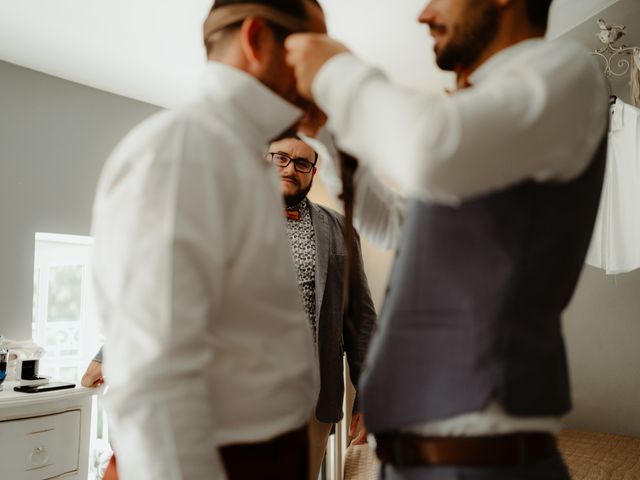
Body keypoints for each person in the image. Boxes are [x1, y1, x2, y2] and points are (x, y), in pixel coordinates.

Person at [284, 0, 609, 479]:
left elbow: (431, 148)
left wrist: (334, 70)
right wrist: (328, 134)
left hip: (482, 464)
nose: (423, 14)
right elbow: (393, 223)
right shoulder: (482, 131)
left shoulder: (562, 72)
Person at [91, 1, 327, 479]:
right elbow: (154, 379)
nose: (320, 78)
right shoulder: (183, 154)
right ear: (257, 39)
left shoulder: (244, 164)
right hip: (221, 459)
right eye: (310, 54)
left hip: (270, 450)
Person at [267, 135, 376, 479]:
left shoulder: (340, 228)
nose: (289, 168)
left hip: (310, 402)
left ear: (313, 172)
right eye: (280, 158)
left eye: (301, 163)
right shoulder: (227, 220)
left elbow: (360, 319)